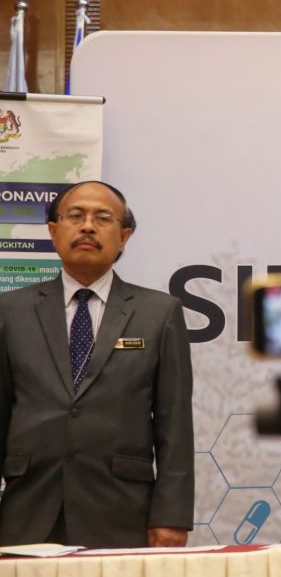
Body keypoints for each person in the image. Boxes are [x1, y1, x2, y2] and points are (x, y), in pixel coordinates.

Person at [0, 181, 194, 548]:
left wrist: (171, 516)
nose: (87, 226)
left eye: (102, 218)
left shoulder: (159, 313)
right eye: (76, 216)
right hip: (27, 509)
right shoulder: (11, 311)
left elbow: (175, 425)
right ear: (54, 232)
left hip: (122, 511)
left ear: (124, 236)